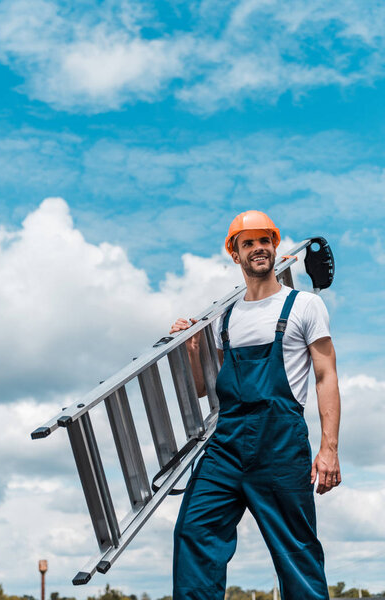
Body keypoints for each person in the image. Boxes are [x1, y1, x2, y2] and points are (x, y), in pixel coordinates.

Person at [169, 210, 341, 600]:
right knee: (194, 532)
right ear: (236, 254)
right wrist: (193, 350)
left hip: (280, 445)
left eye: (264, 241)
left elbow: (326, 376)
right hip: (226, 445)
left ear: (275, 246)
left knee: (295, 549)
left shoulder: (304, 306)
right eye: (248, 243)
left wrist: (329, 448)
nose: (258, 248)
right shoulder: (223, 319)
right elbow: (203, 389)